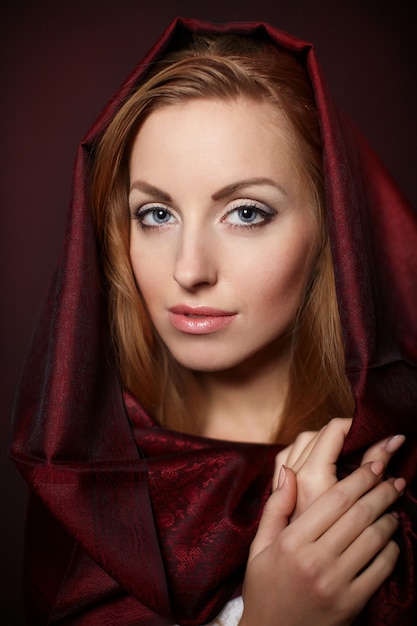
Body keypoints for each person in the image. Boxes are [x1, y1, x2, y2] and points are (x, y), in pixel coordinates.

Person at [9, 17, 417, 626]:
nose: (189, 269)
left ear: (332, 230)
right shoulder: (82, 495)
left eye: (246, 212)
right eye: (155, 214)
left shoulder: (399, 466)